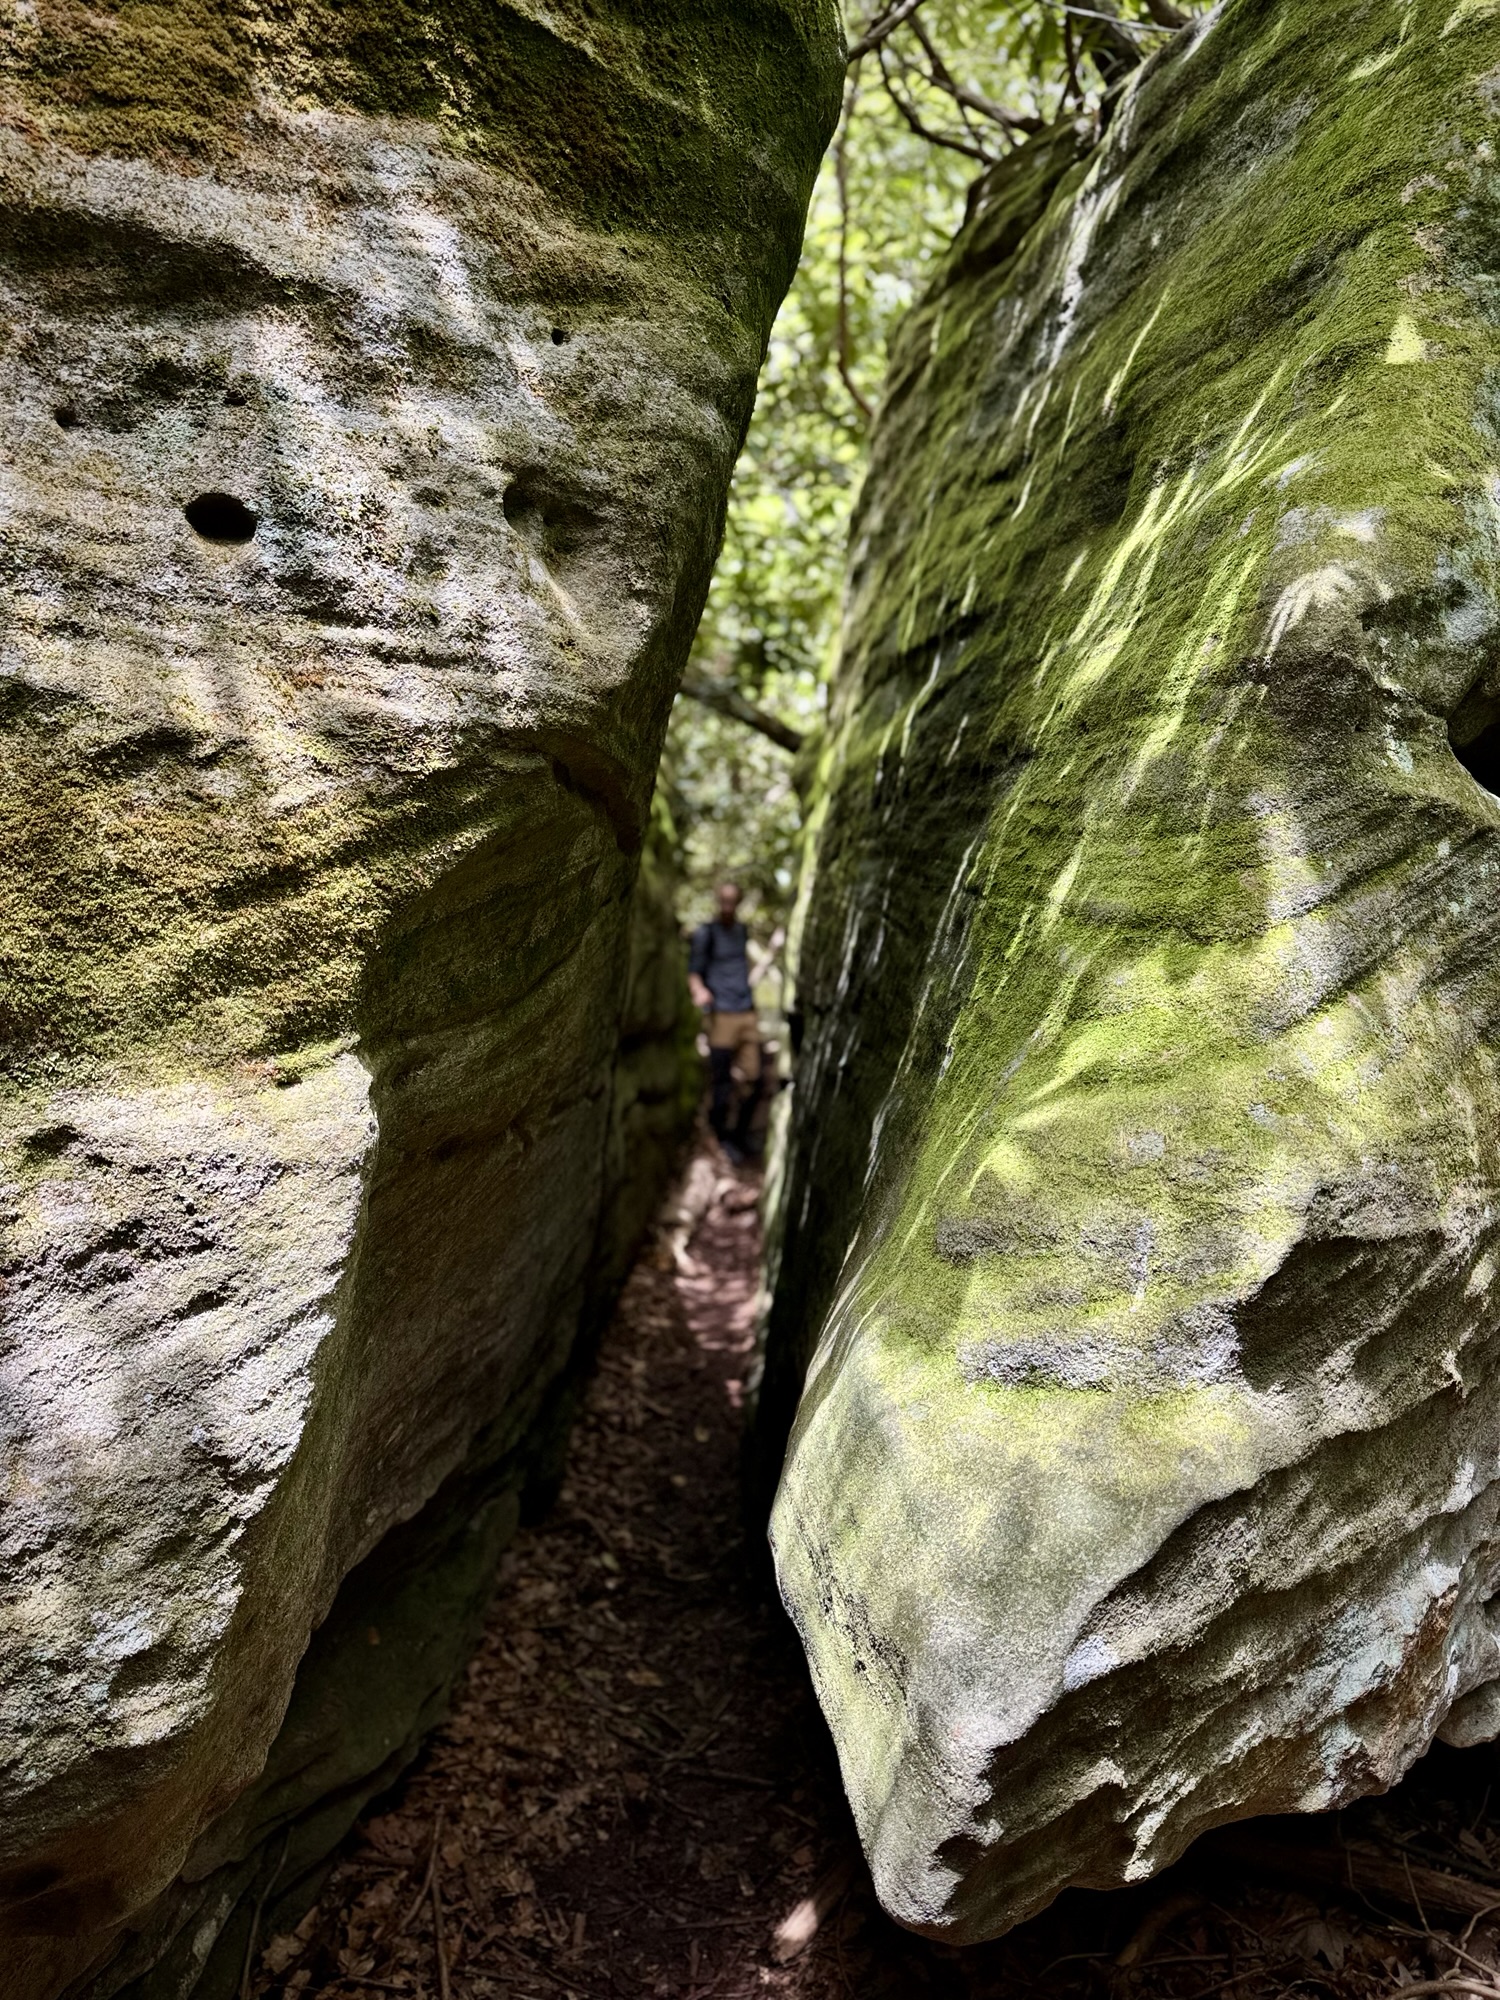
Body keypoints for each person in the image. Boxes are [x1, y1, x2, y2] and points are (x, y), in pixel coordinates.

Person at [688, 882, 761, 1162]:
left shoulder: (741, 931)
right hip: (721, 1015)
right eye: (724, 900)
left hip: (746, 1011)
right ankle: (721, 1137)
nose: (728, 906)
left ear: (738, 902)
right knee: (721, 1081)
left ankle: (740, 1135)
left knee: (754, 1079)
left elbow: (741, 965)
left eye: (733, 901)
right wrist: (700, 991)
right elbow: (694, 972)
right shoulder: (706, 933)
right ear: (718, 901)